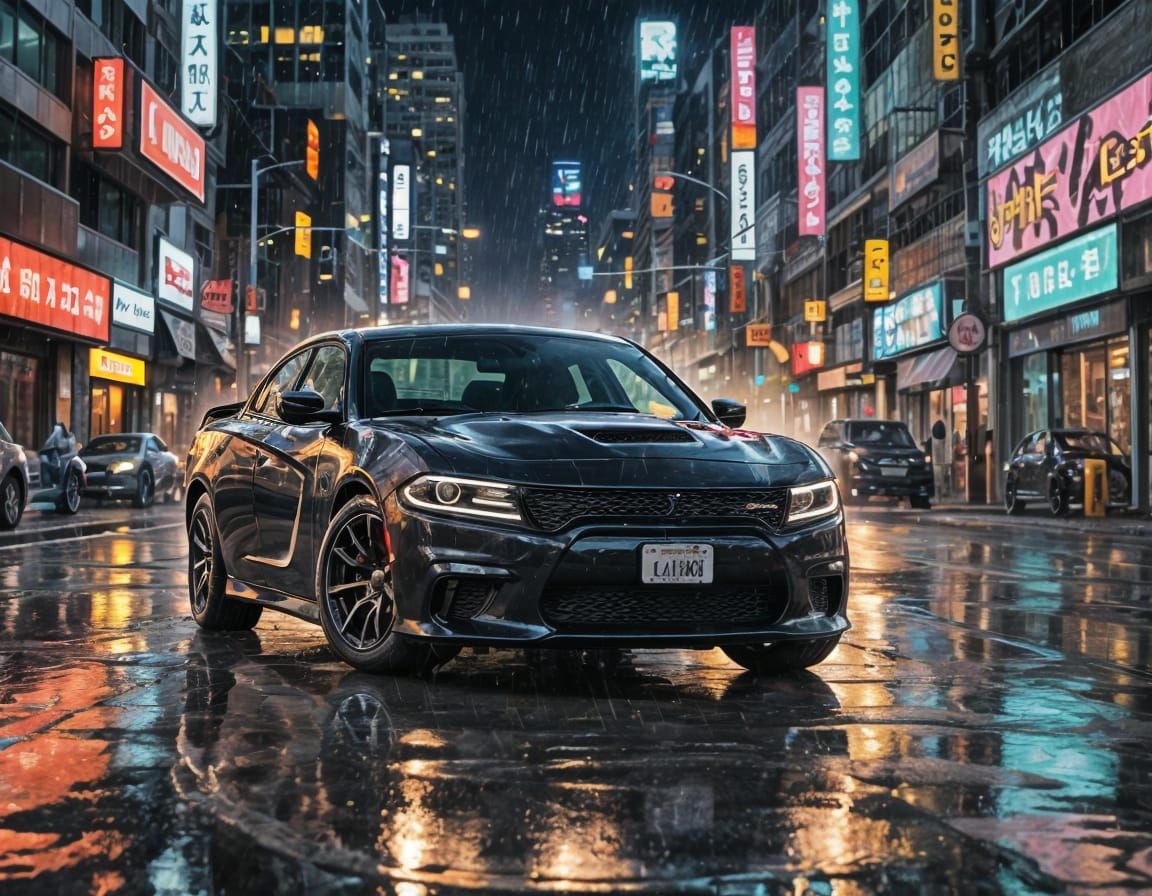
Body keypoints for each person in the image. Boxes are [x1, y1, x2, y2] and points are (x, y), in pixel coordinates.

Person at [40, 422, 76, 487]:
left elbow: (74, 453)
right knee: (44, 461)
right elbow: (46, 446)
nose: (57, 433)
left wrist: (63, 457)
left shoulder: (69, 438)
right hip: (57, 465)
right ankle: (47, 485)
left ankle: (63, 483)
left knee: (63, 462)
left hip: (66, 463)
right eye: (55, 431)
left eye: (58, 431)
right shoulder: (54, 439)